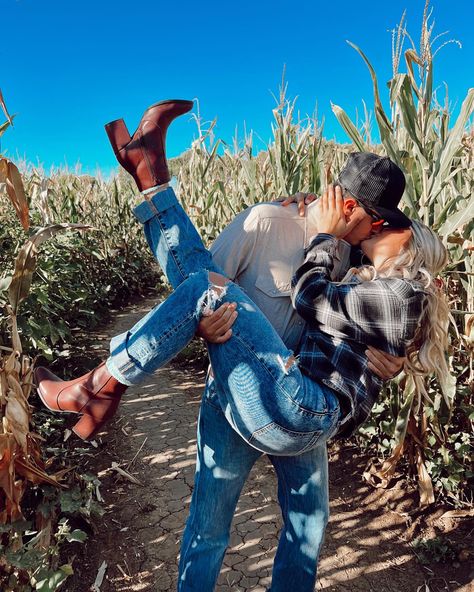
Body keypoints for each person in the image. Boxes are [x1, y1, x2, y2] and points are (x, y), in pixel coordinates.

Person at [35, 100, 450, 589]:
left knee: (306, 530)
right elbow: (195, 289)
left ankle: (149, 185)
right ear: (351, 206)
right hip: (236, 392)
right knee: (208, 528)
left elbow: (363, 300)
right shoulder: (265, 222)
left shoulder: (346, 251)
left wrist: (398, 346)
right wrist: (203, 326)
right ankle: (150, 181)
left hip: (298, 395)